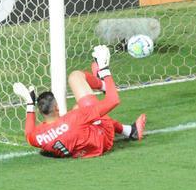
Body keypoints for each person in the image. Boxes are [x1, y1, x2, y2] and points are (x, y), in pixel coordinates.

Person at [12, 45, 145, 158]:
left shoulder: (38, 136)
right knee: (75, 77)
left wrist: (29, 104)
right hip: (103, 140)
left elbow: (28, 134)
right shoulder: (74, 118)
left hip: (82, 151)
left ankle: (129, 130)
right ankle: (103, 84)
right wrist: (105, 68)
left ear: (41, 112)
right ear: (57, 107)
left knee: (79, 108)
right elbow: (113, 100)